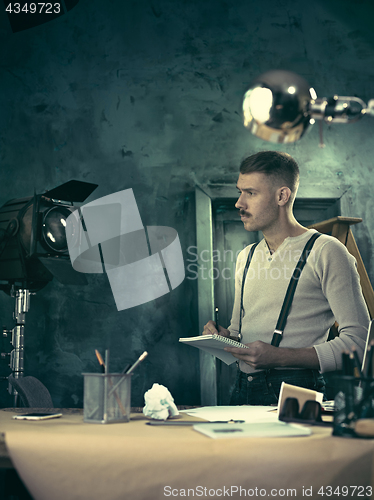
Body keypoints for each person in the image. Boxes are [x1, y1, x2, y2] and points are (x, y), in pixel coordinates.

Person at [203, 151, 370, 405]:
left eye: (250, 193)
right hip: (241, 390)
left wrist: (279, 357)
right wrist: (222, 337)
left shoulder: (327, 251)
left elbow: (358, 346)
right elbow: (238, 333)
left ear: (282, 196)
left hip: (297, 393)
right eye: (240, 192)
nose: (239, 203)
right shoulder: (245, 257)